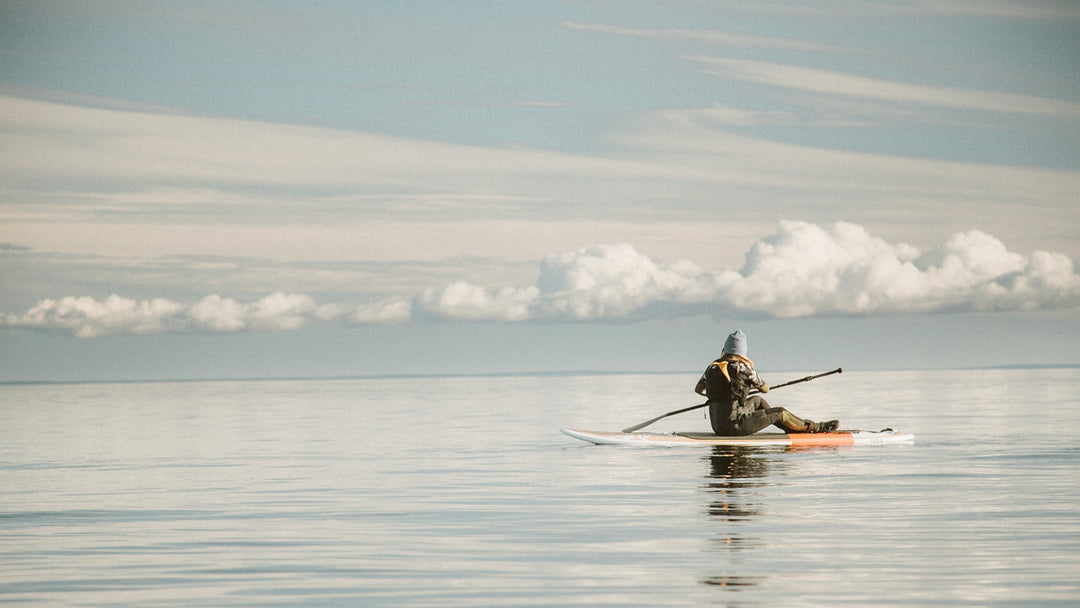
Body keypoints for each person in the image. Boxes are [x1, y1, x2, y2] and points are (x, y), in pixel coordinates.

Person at [695, 330, 839, 436]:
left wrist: (719, 395)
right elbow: (765, 388)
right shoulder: (745, 368)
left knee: (758, 401)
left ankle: (791, 428)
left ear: (725, 349)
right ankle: (816, 427)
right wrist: (746, 387)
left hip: (717, 426)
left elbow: (699, 389)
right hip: (735, 426)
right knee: (780, 412)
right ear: (742, 352)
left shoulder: (712, 368)